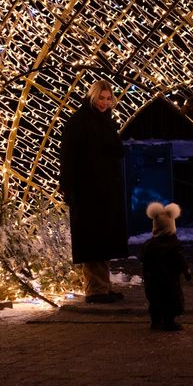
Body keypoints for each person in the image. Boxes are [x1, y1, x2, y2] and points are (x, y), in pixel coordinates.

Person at [58, 79, 128, 303]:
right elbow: (68, 157)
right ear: (92, 96)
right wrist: (68, 187)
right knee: (93, 239)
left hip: (104, 189)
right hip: (88, 190)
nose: (104, 103)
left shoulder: (104, 121)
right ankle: (96, 290)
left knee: (104, 238)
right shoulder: (80, 122)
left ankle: (102, 287)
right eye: (101, 98)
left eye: (108, 99)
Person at [141, 201, 190, 330]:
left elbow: (143, 260)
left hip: (152, 280)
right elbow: (180, 259)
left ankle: (156, 321)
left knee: (155, 300)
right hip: (170, 280)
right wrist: (186, 271)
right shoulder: (173, 245)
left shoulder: (149, 245)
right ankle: (169, 322)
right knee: (171, 300)